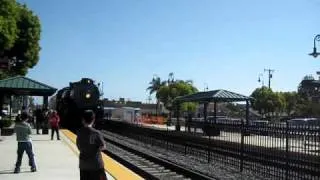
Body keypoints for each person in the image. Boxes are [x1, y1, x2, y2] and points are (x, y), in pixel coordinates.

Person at [76, 110, 107, 180]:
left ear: (83, 120)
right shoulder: (96, 133)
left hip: (83, 165)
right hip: (96, 165)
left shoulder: (79, 132)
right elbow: (103, 146)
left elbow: (79, 147)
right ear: (93, 120)